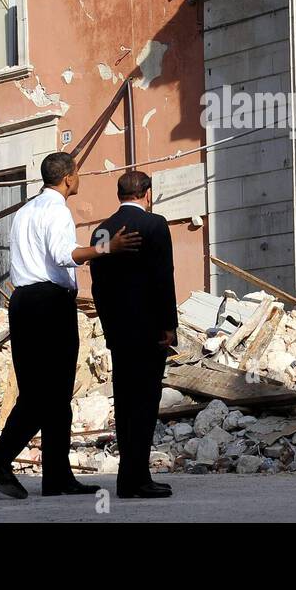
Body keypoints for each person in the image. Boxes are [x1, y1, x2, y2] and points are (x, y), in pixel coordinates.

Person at [0, 151, 140, 500]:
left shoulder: (24, 211)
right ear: (68, 178)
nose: (79, 179)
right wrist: (108, 247)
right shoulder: (57, 211)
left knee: (45, 394)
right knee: (49, 393)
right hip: (49, 304)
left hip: (22, 303)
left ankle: (56, 477)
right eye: (77, 174)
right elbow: (66, 254)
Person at [89, 169, 178, 499]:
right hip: (150, 331)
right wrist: (169, 324)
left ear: (119, 194)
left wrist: (109, 324)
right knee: (144, 403)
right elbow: (162, 276)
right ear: (147, 193)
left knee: (126, 403)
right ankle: (136, 479)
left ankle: (129, 478)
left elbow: (98, 286)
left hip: (119, 332)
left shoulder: (101, 231)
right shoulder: (156, 225)